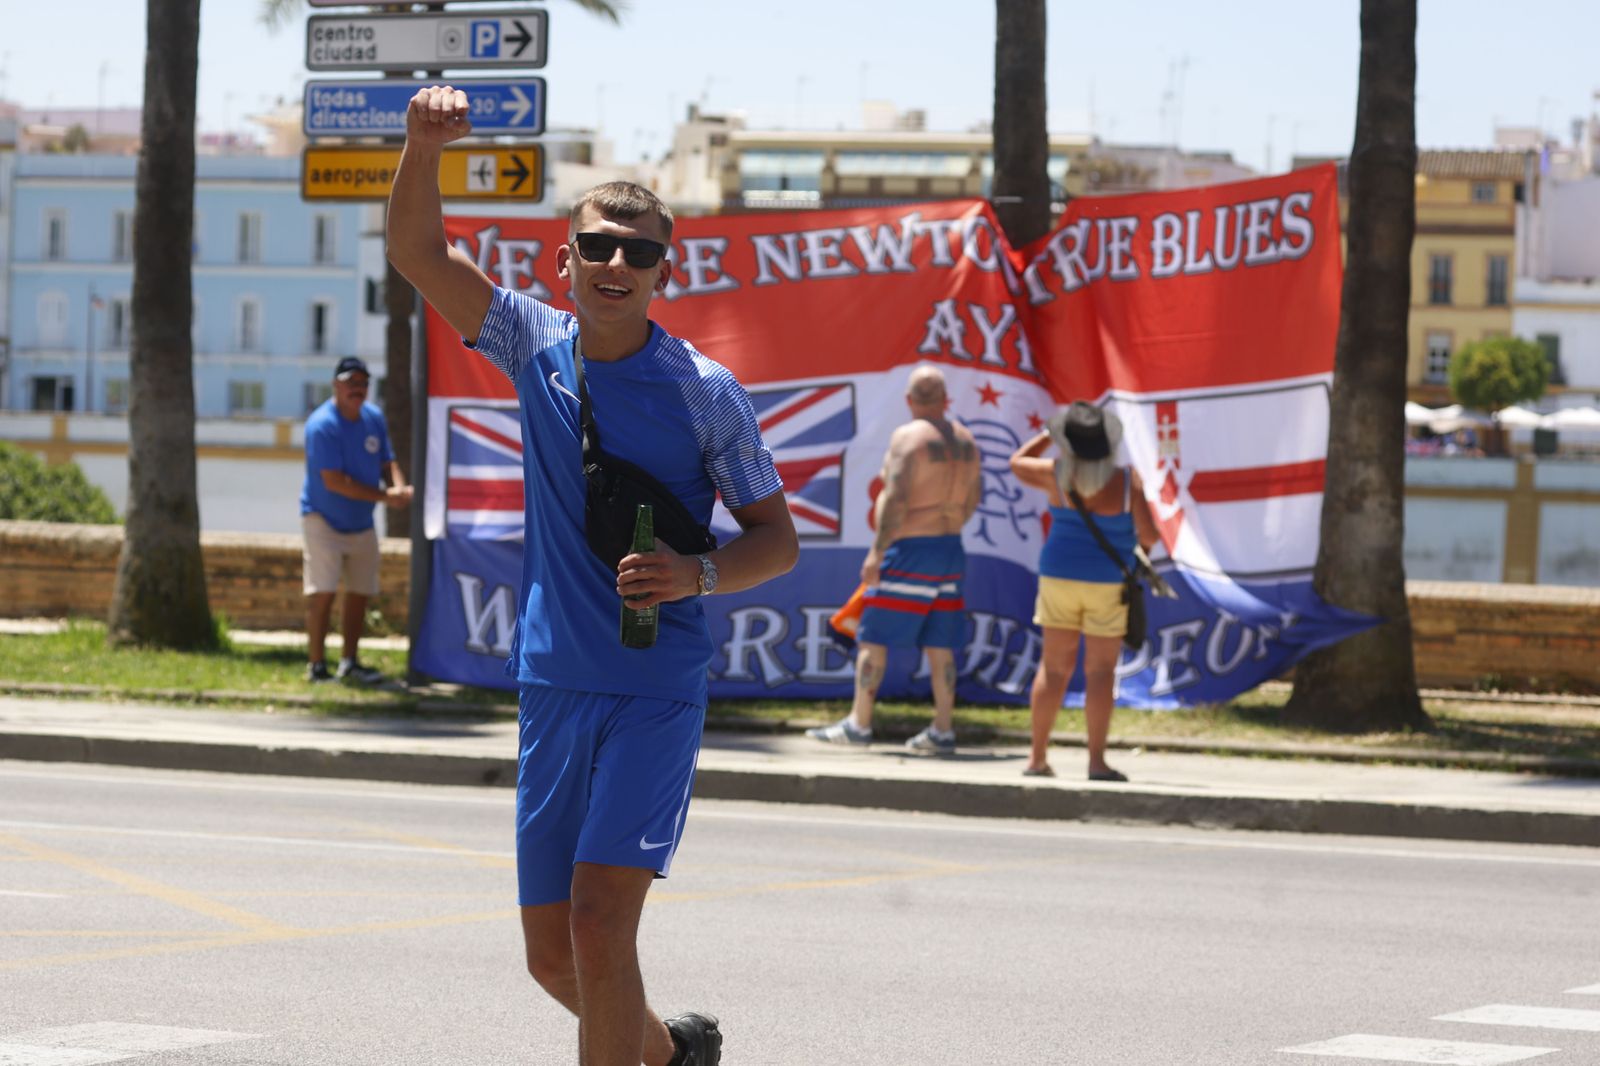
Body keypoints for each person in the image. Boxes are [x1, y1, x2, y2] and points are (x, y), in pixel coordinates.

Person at [386, 86, 798, 1066]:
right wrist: (419, 144)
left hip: (654, 689)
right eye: (599, 247)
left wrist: (694, 572)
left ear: (665, 269)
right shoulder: (535, 347)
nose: (617, 264)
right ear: (562, 261)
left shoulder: (705, 392)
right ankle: (671, 1054)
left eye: (639, 251)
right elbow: (417, 255)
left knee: (603, 926)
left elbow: (773, 540)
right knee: (553, 959)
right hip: (552, 683)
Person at [807, 366, 981, 754]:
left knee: (873, 636)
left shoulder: (909, 437)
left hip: (910, 549)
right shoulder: (967, 442)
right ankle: (942, 729)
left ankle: (860, 723)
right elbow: (972, 499)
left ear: (909, 400)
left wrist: (878, 551)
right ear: (945, 400)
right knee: (941, 644)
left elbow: (897, 497)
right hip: (950, 548)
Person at [1009, 401, 1158, 782]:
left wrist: (1049, 434)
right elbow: (1150, 536)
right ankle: (1095, 762)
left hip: (1058, 576)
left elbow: (1017, 461)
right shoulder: (1126, 482)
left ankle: (1037, 757)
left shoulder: (1056, 473)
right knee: (1101, 671)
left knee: (1054, 668)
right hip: (1107, 582)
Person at [299, 355, 411, 684]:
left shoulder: (373, 418)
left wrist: (399, 486)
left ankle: (350, 662)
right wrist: (385, 498)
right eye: (351, 383)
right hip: (323, 520)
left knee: (360, 593)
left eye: (363, 383)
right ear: (336, 385)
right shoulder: (322, 425)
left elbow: (387, 461)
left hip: (361, 521)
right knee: (323, 593)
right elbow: (334, 481)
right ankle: (316, 666)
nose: (358, 389)